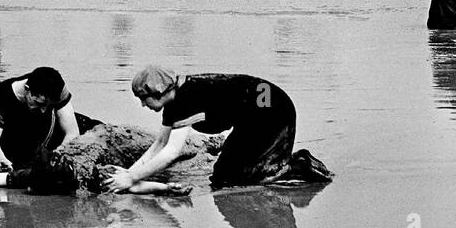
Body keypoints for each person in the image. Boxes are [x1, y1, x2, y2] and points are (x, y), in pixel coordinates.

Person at [105, 66, 333, 191]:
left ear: (159, 92)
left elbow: (171, 152)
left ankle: (299, 166)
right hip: (254, 112)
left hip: (271, 110)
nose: (144, 105)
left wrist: (132, 179)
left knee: (245, 178)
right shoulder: (174, 101)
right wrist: (129, 173)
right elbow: (160, 144)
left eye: (145, 99)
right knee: (223, 175)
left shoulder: (186, 99)